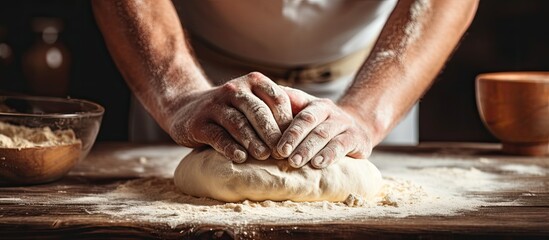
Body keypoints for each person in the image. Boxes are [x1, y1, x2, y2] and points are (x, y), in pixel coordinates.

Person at [91, 0, 478, 169]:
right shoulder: (184, 90)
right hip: (194, 81)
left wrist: (365, 114)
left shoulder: (370, 104)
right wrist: (178, 94)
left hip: (373, 81)